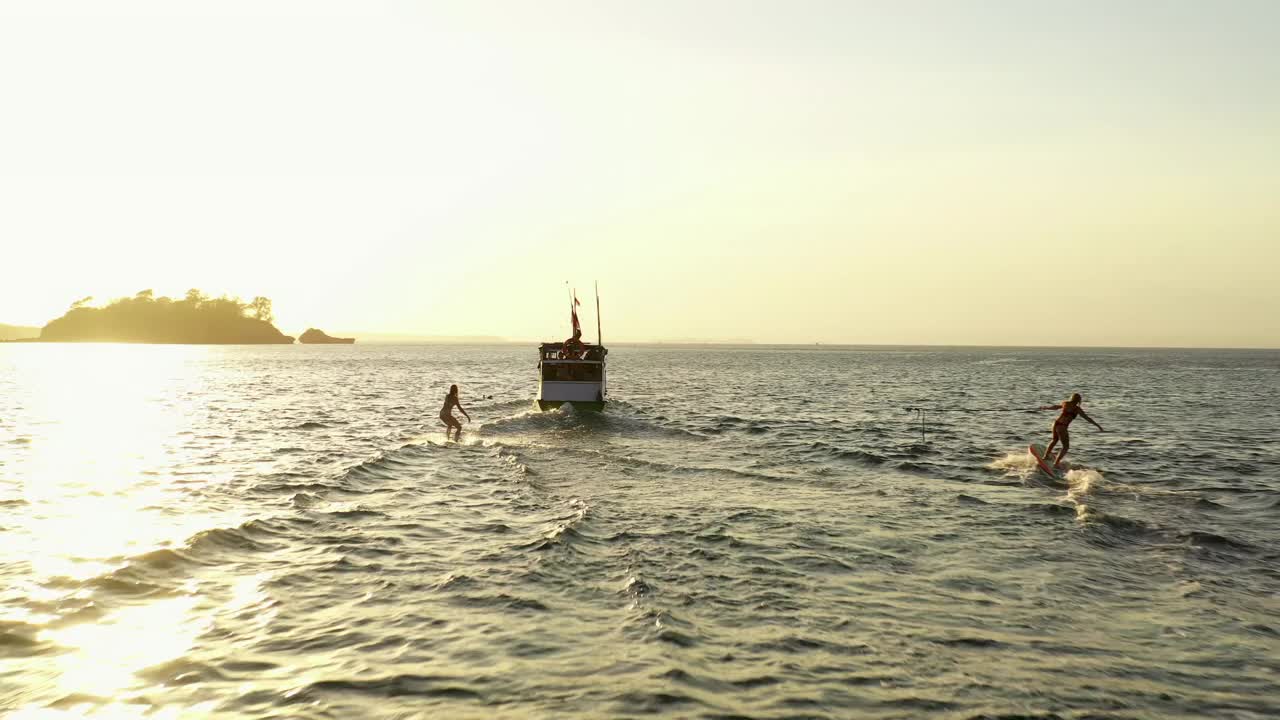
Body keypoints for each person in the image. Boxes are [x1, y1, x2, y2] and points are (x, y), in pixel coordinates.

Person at [1038, 392, 1103, 467]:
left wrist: (1045, 407)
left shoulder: (1065, 403)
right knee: (1066, 446)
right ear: (1078, 400)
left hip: (1056, 424)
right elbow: (1087, 418)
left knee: (1054, 440)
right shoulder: (1077, 409)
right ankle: (1056, 464)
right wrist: (1098, 425)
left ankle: (1045, 456)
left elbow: (1055, 407)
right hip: (1062, 427)